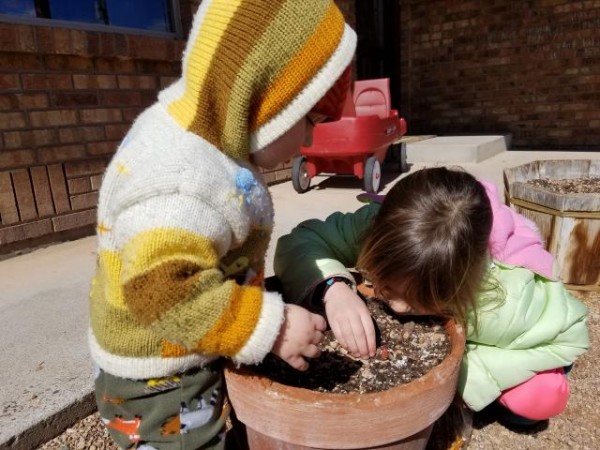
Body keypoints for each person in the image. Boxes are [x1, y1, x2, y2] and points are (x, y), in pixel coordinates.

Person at [89, 1, 357, 448]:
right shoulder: (180, 181)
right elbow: (163, 290)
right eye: (309, 120)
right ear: (264, 99)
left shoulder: (208, 132)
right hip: (163, 377)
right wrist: (267, 328)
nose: (311, 140)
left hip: (187, 343)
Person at [274, 166, 589, 425]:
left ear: (461, 285)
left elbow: (568, 337)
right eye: (388, 285)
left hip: (516, 321)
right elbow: (301, 241)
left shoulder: (504, 298)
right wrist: (334, 288)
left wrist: (462, 376)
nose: (396, 306)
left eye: (418, 298)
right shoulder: (375, 227)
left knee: (539, 399)